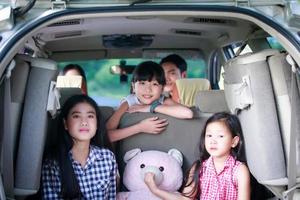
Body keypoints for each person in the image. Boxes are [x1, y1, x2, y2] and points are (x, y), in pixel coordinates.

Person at [144, 112, 251, 200]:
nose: (213, 141)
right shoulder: (199, 168)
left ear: (234, 141)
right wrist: (155, 190)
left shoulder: (239, 170)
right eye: (209, 135)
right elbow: (185, 199)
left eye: (220, 136)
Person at [42, 94, 117, 199]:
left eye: (90, 116)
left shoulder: (108, 157)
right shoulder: (53, 163)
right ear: (65, 124)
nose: (84, 122)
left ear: (97, 124)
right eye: (76, 116)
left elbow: (111, 197)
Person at [106, 61, 193, 142]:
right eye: (142, 83)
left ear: (162, 88)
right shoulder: (128, 103)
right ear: (133, 86)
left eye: (155, 84)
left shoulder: (163, 100)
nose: (148, 89)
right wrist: (140, 128)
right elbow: (107, 136)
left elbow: (188, 113)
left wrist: (151, 107)